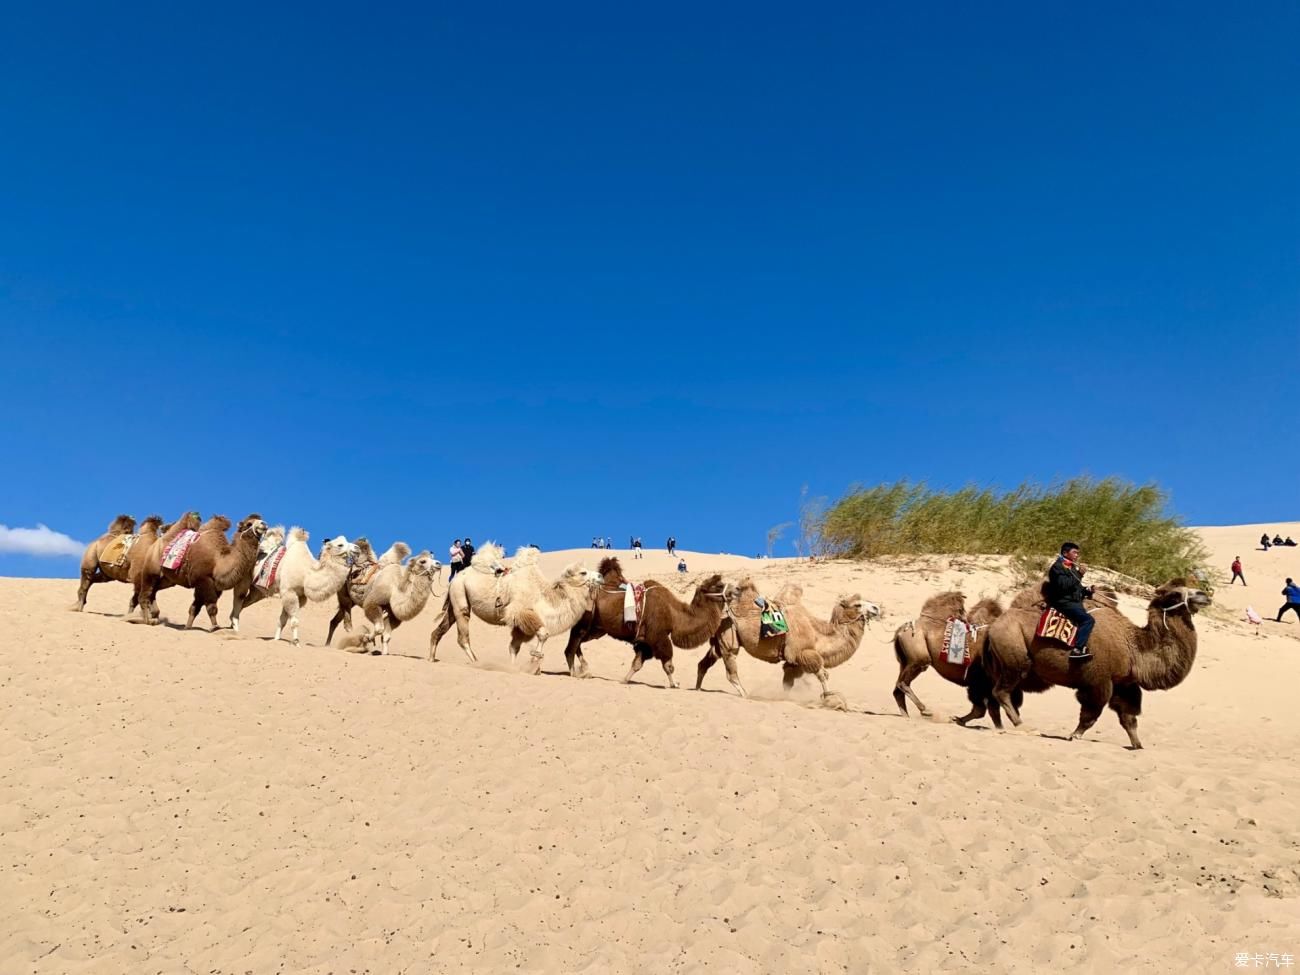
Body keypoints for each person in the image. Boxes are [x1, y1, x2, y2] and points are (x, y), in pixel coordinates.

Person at [1044, 541, 1095, 660]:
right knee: (1088, 620)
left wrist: (1087, 590)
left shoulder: (1070, 566)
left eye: (1078, 553)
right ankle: (1077, 650)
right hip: (1063, 602)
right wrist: (1079, 574)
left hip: (1072, 600)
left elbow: (1076, 587)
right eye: (1074, 552)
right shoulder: (1057, 567)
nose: (1077, 555)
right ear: (1065, 553)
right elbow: (1064, 586)